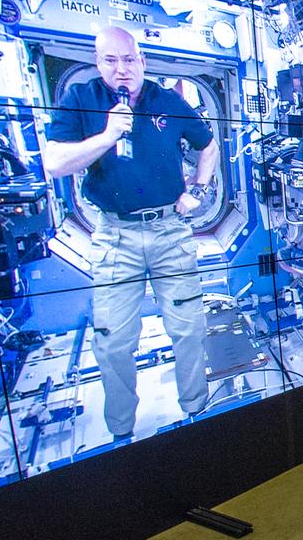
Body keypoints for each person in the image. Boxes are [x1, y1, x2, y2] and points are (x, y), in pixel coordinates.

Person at [44, 26, 217, 440]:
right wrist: (107, 135)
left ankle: (198, 415)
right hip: (114, 236)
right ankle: (122, 435)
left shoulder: (168, 101)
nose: (121, 69)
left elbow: (207, 147)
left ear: (142, 61)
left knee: (188, 329)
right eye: (110, 60)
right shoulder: (81, 100)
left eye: (128, 60)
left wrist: (197, 190)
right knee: (113, 342)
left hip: (169, 232)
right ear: (98, 62)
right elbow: (54, 163)